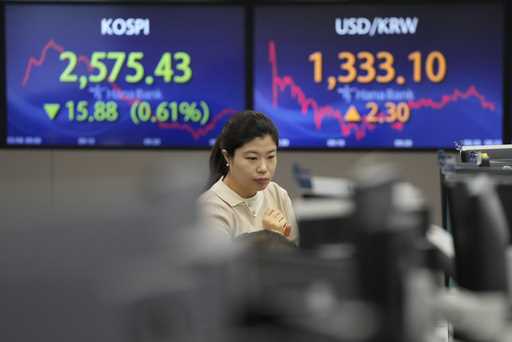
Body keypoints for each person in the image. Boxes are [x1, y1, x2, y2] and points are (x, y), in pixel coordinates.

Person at [198, 110, 299, 245]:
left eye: (270, 156)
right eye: (252, 158)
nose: (263, 168)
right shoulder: (210, 208)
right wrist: (270, 238)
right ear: (227, 157)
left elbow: (298, 259)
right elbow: (221, 265)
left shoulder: (277, 194)